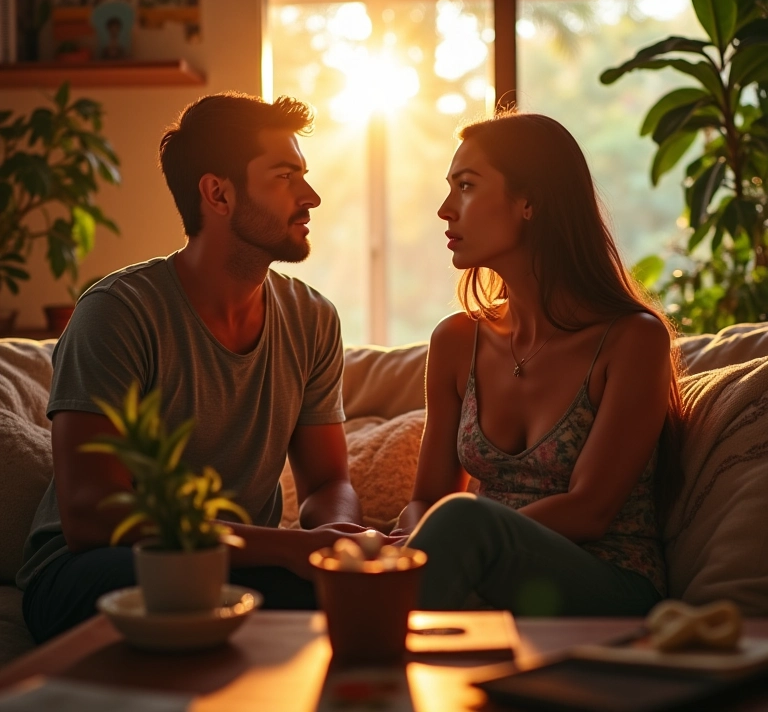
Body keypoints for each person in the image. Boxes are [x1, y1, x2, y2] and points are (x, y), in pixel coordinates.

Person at [17, 92, 382, 643]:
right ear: (218, 193)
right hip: (93, 569)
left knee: (357, 586)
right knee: (248, 590)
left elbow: (328, 480)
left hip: (238, 567)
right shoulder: (117, 313)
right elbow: (92, 516)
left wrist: (335, 537)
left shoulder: (312, 319)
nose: (311, 197)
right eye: (285, 176)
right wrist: (287, 548)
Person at [395, 109, 684, 617]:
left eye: (465, 186)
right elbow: (426, 500)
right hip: (478, 568)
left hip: (607, 584)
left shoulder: (632, 340)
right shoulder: (455, 341)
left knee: (462, 520)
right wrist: (407, 545)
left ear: (529, 201)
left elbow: (590, 510)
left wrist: (462, 533)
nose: (444, 209)